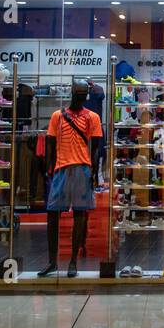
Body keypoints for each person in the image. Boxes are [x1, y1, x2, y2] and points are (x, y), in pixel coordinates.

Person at [38, 79, 103, 277]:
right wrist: (49, 169)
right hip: (61, 168)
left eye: (83, 95)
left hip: (82, 168)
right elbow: (50, 143)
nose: (80, 98)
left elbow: (96, 147)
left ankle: (73, 260)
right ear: (73, 94)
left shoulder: (92, 117)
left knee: (80, 215)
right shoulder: (58, 116)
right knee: (52, 215)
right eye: (78, 94)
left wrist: (93, 172)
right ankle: (52, 261)